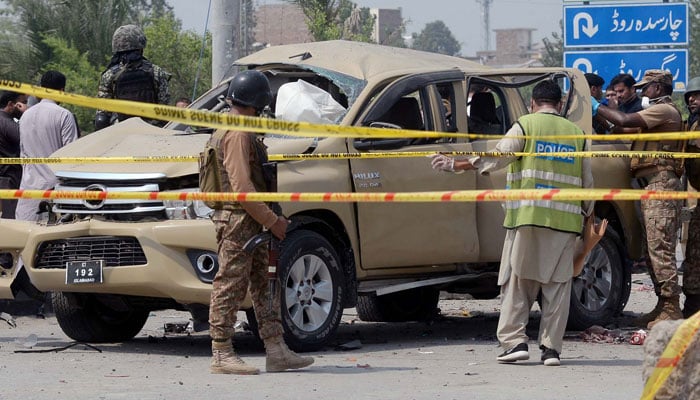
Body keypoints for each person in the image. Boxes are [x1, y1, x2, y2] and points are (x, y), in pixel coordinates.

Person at [431, 80, 594, 366]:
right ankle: (551, 349)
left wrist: (456, 164)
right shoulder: (577, 134)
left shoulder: (526, 125)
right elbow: (587, 184)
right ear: (558, 105)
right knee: (558, 287)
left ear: (533, 103)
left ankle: (515, 342)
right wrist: (587, 221)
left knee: (518, 281)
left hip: (528, 218)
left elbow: (498, 157)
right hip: (565, 222)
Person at [205, 70, 313, 375]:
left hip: (248, 219)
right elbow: (242, 188)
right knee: (230, 284)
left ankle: (276, 350)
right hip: (240, 219)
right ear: (257, 102)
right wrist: (273, 220)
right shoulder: (238, 133)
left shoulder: (234, 128)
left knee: (263, 284)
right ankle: (221, 352)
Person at [594, 69, 685, 328]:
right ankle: (662, 305)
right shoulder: (654, 113)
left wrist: (597, 106)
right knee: (651, 248)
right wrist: (604, 115)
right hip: (650, 186)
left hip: (661, 185)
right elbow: (621, 128)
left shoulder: (664, 111)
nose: (643, 91)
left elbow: (624, 119)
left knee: (660, 248)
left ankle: (671, 308)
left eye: (647, 87)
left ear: (658, 88)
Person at [15, 71, 79, 222]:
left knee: (25, 233)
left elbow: (23, 153)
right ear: (61, 91)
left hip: (28, 189)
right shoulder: (64, 115)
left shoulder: (25, 116)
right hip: (55, 191)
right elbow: (72, 155)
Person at [95, 24, 171, 130]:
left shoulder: (109, 75)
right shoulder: (156, 72)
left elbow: (102, 117)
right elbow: (164, 106)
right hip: (151, 130)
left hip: (121, 131)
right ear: (140, 45)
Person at [680, 76, 700, 318]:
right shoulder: (692, 124)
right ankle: (693, 307)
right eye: (690, 96)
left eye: (697, 96)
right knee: (693, 253)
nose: (692, 100)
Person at [0, 90, 28, 219]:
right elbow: (29, 138)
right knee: (9, 220)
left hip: (6, 177)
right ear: (11, 104)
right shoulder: (7, 123)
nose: (25, 105)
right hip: (8, 179)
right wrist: (27, 114)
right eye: (23, 102)